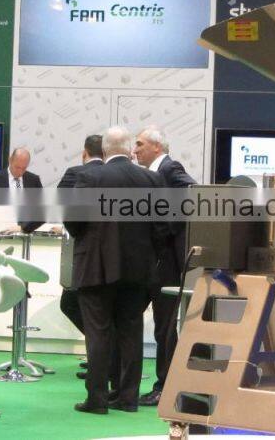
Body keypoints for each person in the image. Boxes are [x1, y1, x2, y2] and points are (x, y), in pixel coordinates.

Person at [64, 126, 167, 414]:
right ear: (129, 148)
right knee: (131, 332)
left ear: (105, 149)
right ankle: (127, 397)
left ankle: (97, 399)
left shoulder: (89, 177)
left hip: (96, 266)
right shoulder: (151, 179)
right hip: (138, 269)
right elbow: (162, 227)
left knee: (98, 333)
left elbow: (73, 221)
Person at [133, 125, 196, 406]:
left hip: (168, 263)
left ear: (157, 147)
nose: (135, 150)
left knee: (165, 328)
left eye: (140, 144)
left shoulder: (170, 168)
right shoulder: (152, 173)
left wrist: (164, 230)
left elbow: (192, 193)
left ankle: (166, 387)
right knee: (161, 327)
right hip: (156, 261)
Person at [56, 134, 104, 380]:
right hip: (117, 257)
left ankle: (102, 356)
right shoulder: (121, 175)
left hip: (85, 255)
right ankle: (103, 356)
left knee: (73, 304)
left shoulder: (76, 173)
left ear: (85, 153)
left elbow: (66, 209)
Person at [0, 148, 44, 233]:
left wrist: (23, 228)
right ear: (10, 160)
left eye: (24, 168)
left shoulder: (34, 180)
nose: (20, 172)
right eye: (17, 167)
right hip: (0, 229)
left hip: (26, 231)